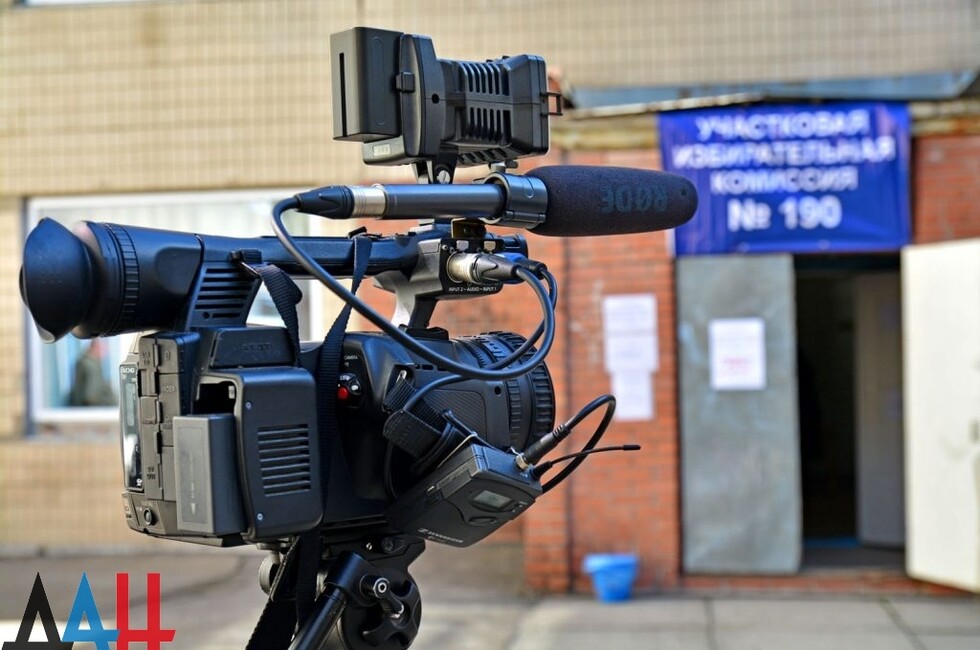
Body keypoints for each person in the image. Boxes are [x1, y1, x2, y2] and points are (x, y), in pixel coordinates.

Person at [68, 340, 117, 407]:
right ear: (96, 348)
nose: (105, 353)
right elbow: (91, 396)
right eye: (103, 349)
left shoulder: (82, 361)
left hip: (80, 407)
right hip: (91, 409)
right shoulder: (91, 365)